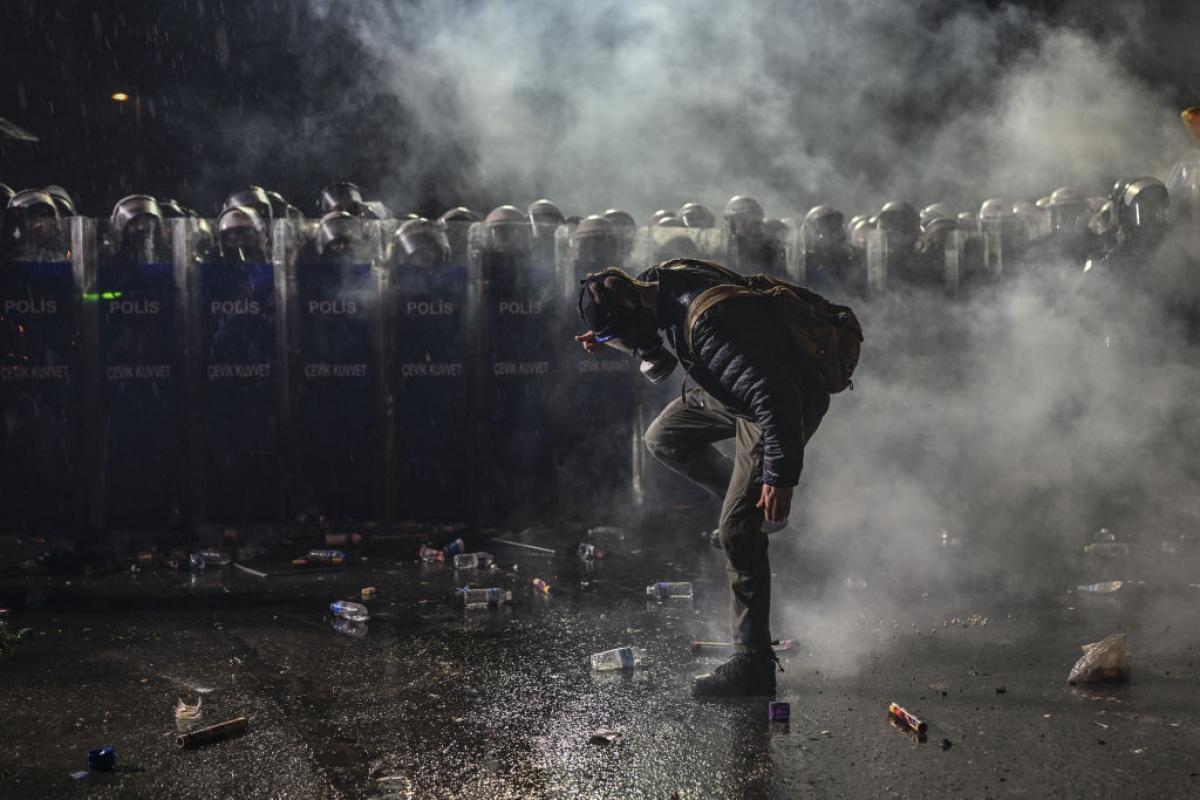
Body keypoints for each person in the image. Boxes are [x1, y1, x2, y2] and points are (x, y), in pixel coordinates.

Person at [575, 259, 842, 697]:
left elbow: (771, 395)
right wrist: (616, 339)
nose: (634, 338)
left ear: (630, 301)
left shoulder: (710, 322)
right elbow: (654, 343)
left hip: (777, 405)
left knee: (737, 531)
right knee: (664, 437)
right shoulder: (659, 281)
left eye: (624, 327)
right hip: (734, 391)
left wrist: (780, 475)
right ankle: (750, 509)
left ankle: (754, 664)